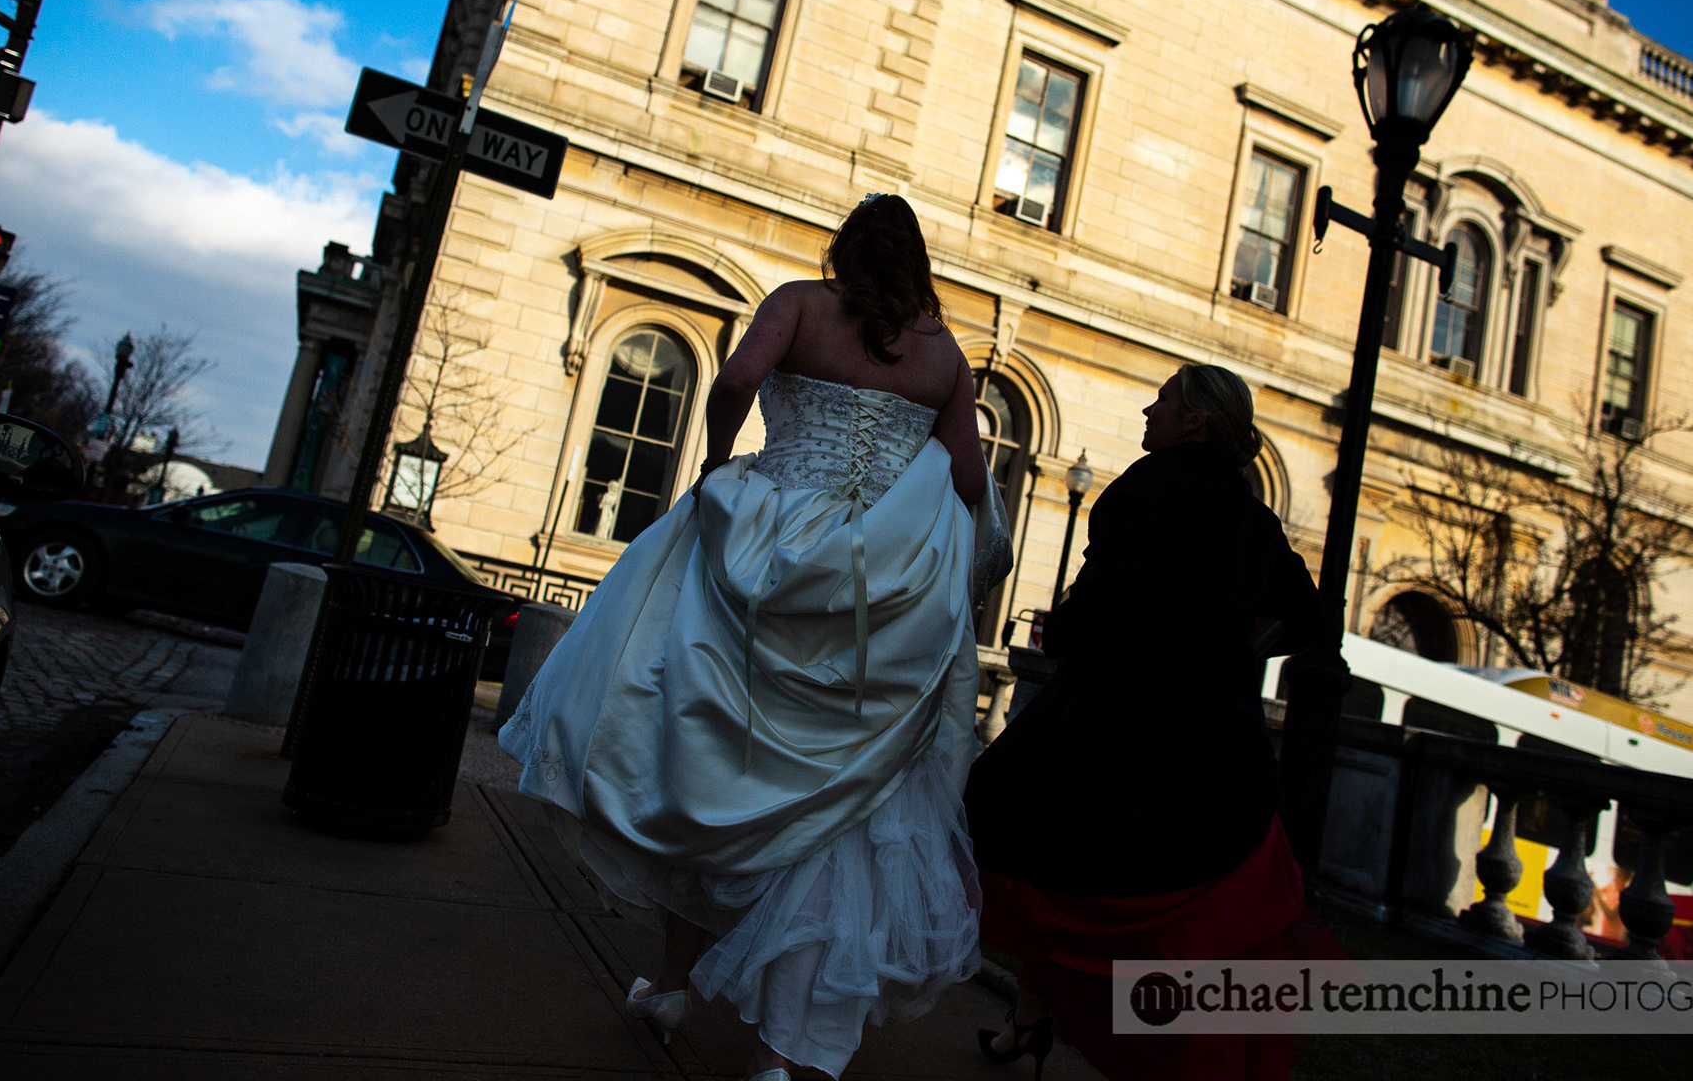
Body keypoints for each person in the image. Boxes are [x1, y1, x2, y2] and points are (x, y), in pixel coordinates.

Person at [501, 193, 1010, 1081]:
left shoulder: (800, 304)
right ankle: (780, 1050)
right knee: (843, 809)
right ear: (916, 263)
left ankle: (669, 982)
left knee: (713, 763)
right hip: (879, 591)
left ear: (846, 251)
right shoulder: (943, 355)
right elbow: (967, 474)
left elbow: (735, 381)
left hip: (768, 547)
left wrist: (718, 460)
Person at [963, 363, 1328, 1081]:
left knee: (1040, 861)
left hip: (1120, 731)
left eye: (1163, 399)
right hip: (1218, 749)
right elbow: (1311, 617)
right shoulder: (1252, 515)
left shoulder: (1144, 488)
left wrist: (1064, 633)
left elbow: (1100, 603)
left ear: (1195, 419)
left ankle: (1044, 1024)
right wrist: (1232, 648)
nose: (1148, 408)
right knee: (1178, 915)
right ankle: (1031, 1024)